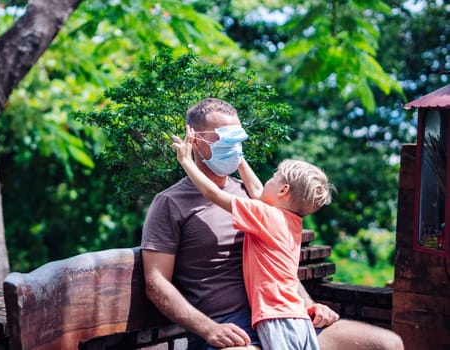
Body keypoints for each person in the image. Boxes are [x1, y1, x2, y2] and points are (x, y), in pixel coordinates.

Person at [141, 97, 404, 350]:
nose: (233, 147)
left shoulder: (257, 199)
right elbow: (156, 282)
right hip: (229, 328)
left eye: (238, 139)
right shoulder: (170, 203)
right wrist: (209, 329)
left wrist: (309, 304)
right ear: (195, 141)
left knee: (387, 344)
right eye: (225, 139)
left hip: (282, 318)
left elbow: (277, 264)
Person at [172, 121, 331, 350]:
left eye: (273, 177)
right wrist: (238, 158)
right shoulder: (289, 220)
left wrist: (186, 161)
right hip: (297, 317)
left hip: (277, 319)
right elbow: (258, 192)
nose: (268, 179)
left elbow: (212, 193)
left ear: (283, 191)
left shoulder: (266, 216)